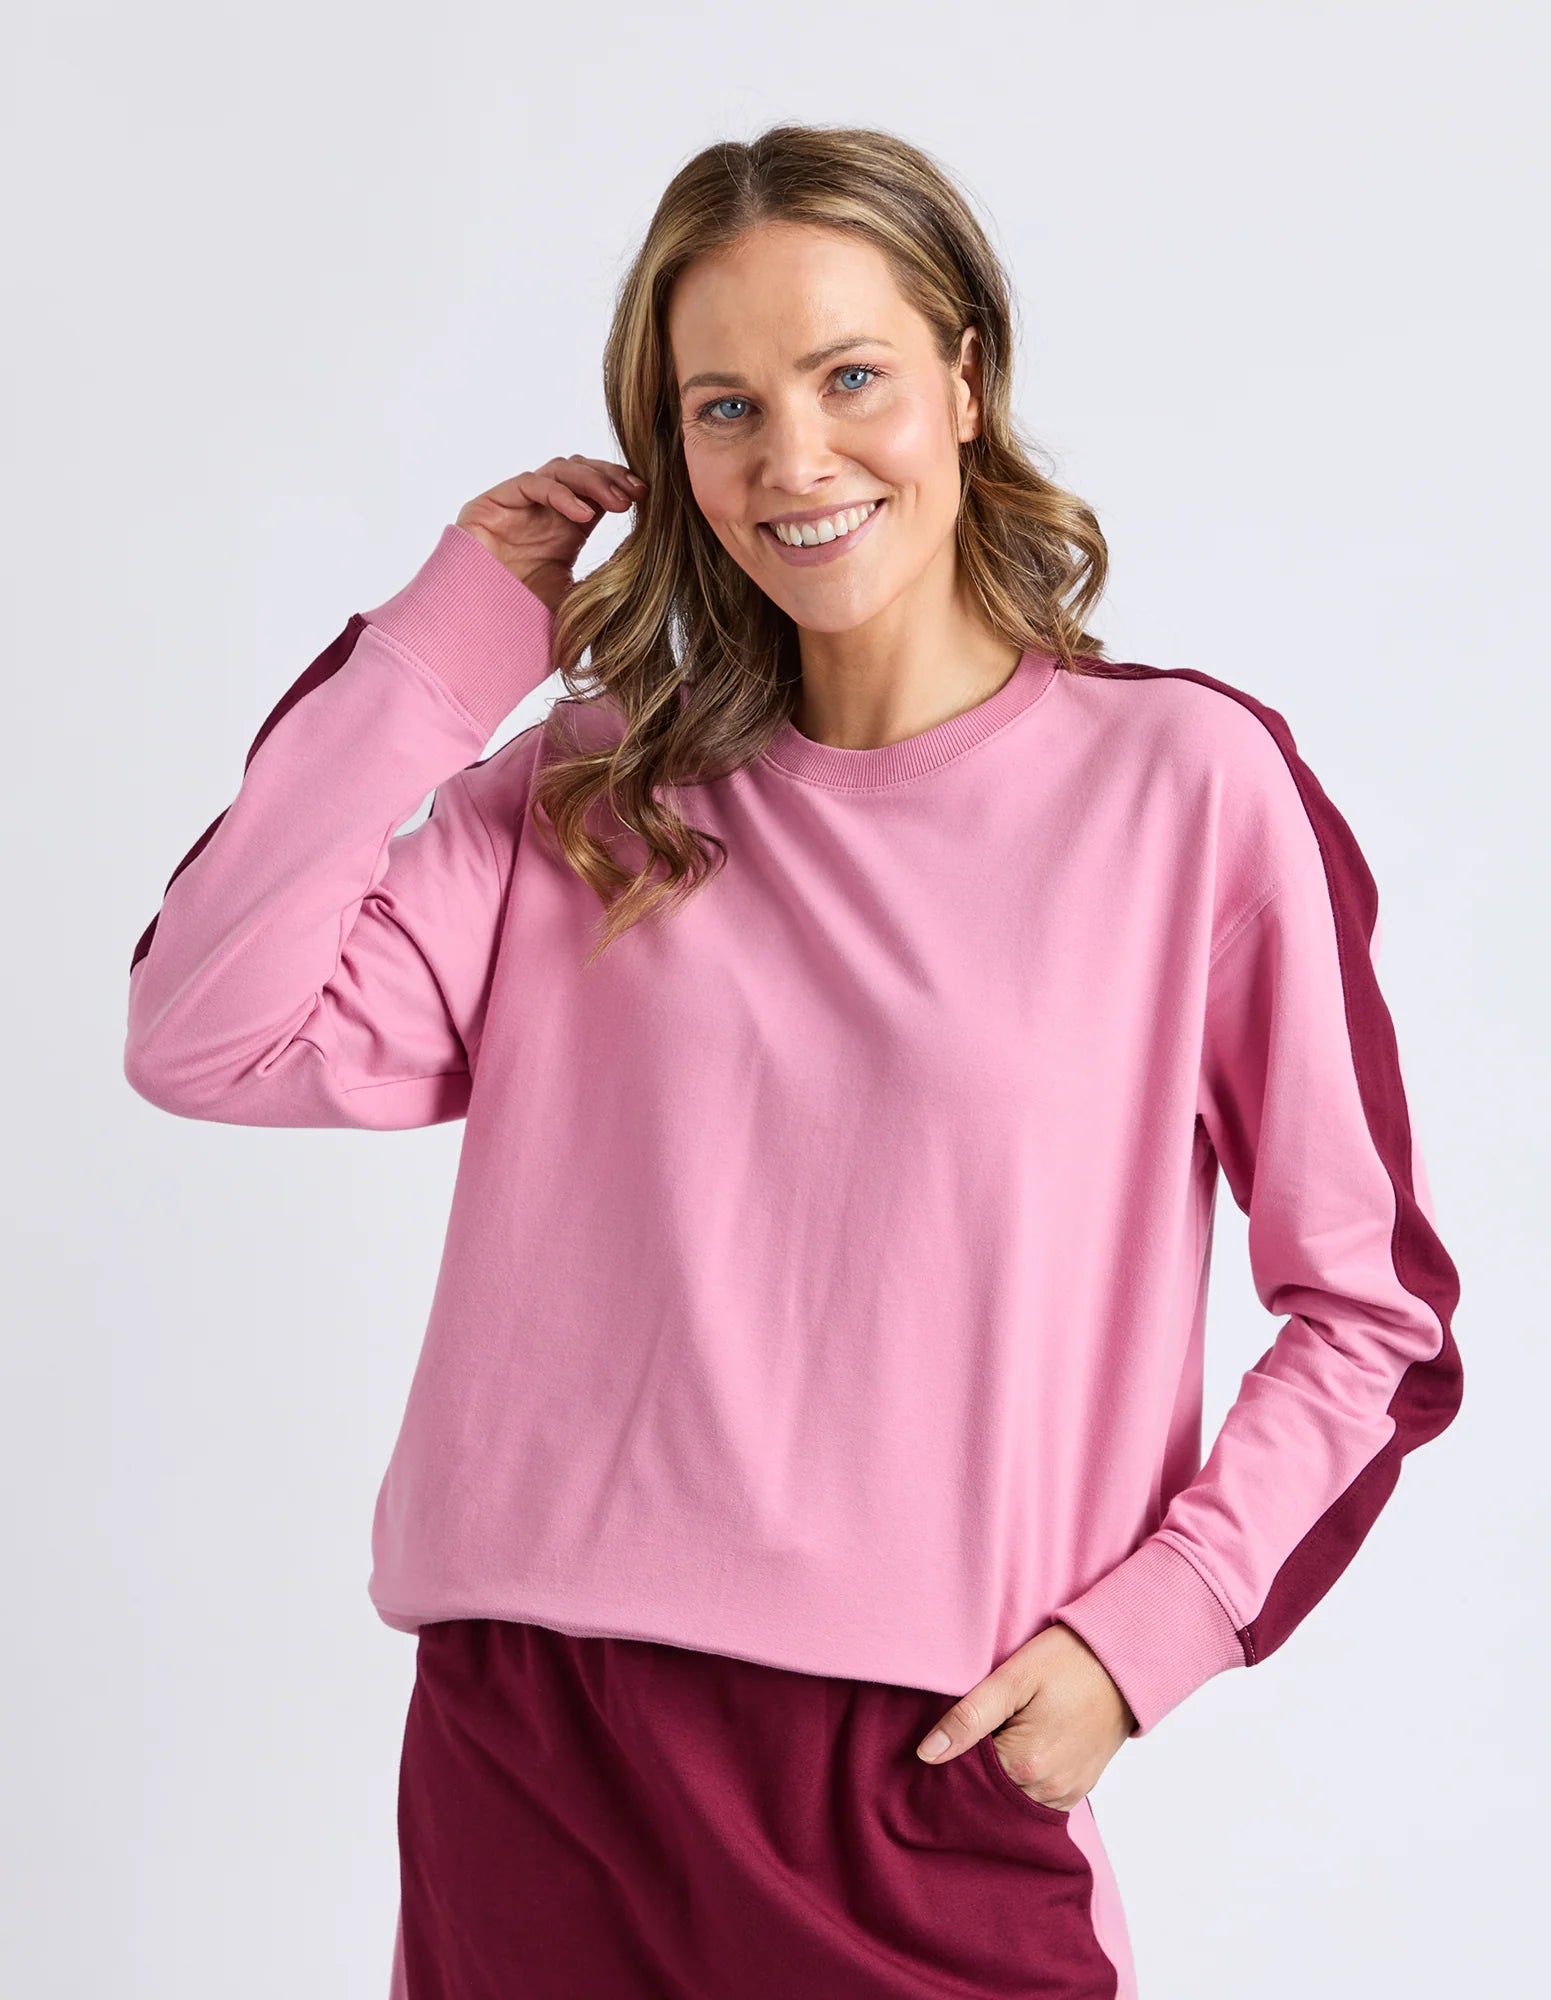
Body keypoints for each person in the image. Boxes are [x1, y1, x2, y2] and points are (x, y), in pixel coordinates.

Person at [122, 122, 1464, 1999]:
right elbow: (204, 1025)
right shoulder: (587, 793)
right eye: (725, 407)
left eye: (851, 378)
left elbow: (1376, 1316)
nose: (795, 461)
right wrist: (449, 645)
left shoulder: (1189, 790)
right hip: (532, 1755)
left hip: (916, 1776)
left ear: (965, 379)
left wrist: (1144, 1638)